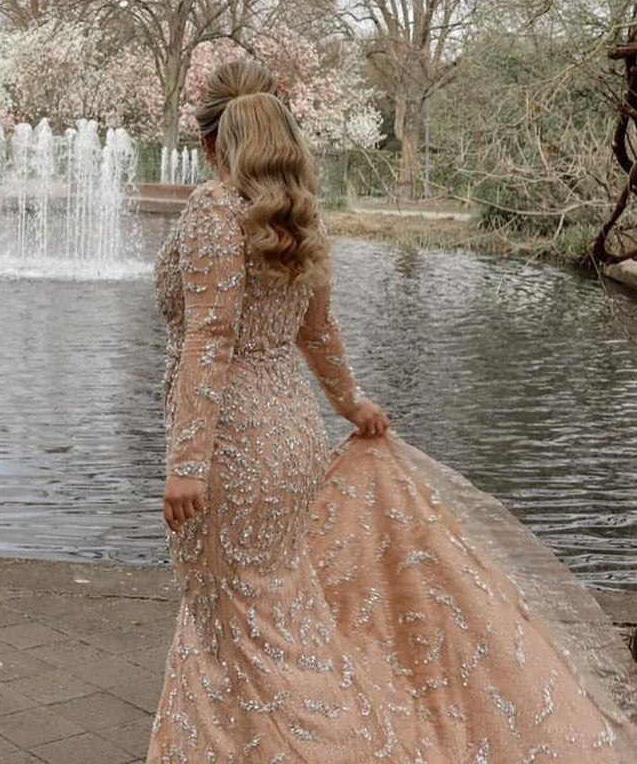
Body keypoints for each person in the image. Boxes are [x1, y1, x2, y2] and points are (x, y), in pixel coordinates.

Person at [146, 60, 637, 763]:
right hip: (291, 434)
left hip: (233, 443)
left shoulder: (215, 210)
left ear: (211, 145)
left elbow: (212, 336)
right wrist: (351, 404)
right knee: (272, 612)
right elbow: (316, 331)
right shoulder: (297, 214)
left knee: (239, 621)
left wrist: (186, 463)